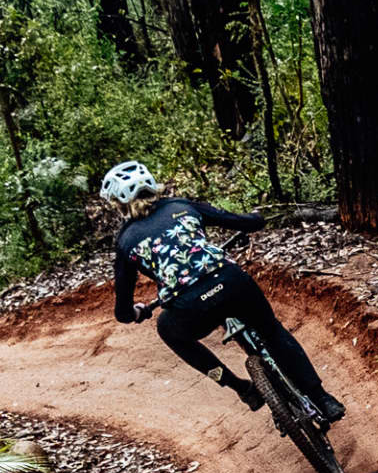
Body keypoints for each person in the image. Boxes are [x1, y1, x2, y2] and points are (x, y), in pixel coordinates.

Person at [99, 160, 343, 425]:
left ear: (118, 204)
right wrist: (257, 217)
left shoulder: (125, 242)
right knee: (271, 332)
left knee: (168, 330)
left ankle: (239, 387)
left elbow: (122, 312)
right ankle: (322, 399)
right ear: (152, 185)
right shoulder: (181, 206)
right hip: (232, 284)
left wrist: (137, 312)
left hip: (190, 307)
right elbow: (244, 222)